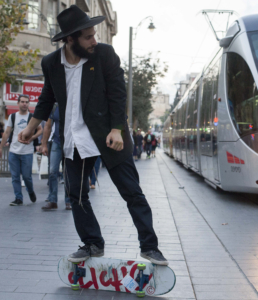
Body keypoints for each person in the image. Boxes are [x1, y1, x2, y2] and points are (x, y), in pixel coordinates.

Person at [18, 5, 168, 265]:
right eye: (88, 36)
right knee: (76, 196)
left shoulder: (104, 55)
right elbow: (47, 98)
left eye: (94, 34)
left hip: (110, 136)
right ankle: (92, 244)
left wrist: (117, 129)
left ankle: (150, 247)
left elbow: (118, 94)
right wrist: (31, 126)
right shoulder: (51, 63)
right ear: (70, 39)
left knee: (132, 192)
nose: (94, 40)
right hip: (74, 139)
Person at [0, 94, 42, 206]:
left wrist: (33, 137)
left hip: (27, 152)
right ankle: (18, 198)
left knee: (27, 177)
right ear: (18, 103)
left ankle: (31, 191)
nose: (24, 104)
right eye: (22, 102)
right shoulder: (12, 117)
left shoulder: (32, 117)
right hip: (13, 151)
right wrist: (1, 146)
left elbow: (40, 130)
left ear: (29, 104)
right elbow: (7, 132)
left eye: (26, 102)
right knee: (15, 177)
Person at [40, 104, 71, 210]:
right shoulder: (55, 106)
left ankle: (69, 200)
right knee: (53, 171)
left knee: (68, 173)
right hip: (56, 142)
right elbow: (47, 126)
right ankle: (52, 200)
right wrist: (44, 144)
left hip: (70, 143)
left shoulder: (74, 103)